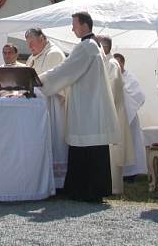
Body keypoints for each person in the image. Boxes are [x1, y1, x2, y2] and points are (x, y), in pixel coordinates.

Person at [39, 12, 119, 203]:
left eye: (74, 24)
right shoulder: (93, 45)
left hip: (87, 106)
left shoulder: (86, 46)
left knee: (85, 145)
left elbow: (66, 70)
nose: (72, 28)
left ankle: (85, 190)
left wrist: (40, 81)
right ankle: (92, 189)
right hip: (89, 103)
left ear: (84, 25)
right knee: (91, 147)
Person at [25, 28, 68, 186]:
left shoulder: (54, 54)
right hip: (37, 106)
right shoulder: (31, 58)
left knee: (54, 138)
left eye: (32, 42)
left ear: (42, 38)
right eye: (28, 43)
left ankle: (58, 181)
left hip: (52, 104)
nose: (30, 47)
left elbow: (50, 81)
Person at [97, 35, 135, 195]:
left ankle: (114, 188)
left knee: (113, 154)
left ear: (103, 47)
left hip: (111, 113)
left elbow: (112, 91)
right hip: (106, 113)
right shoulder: (104, 62)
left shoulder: (111, 64)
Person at [114, 53, 148, 178]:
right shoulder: (112, 76)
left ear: (123, 63)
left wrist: (122, 91)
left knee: (131, 144)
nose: (117, 66)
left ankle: (132, 173)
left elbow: (138, 96)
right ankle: (119, 172)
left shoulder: (131, 78)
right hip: (117, 117)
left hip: (130, 117)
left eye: (118, 63)